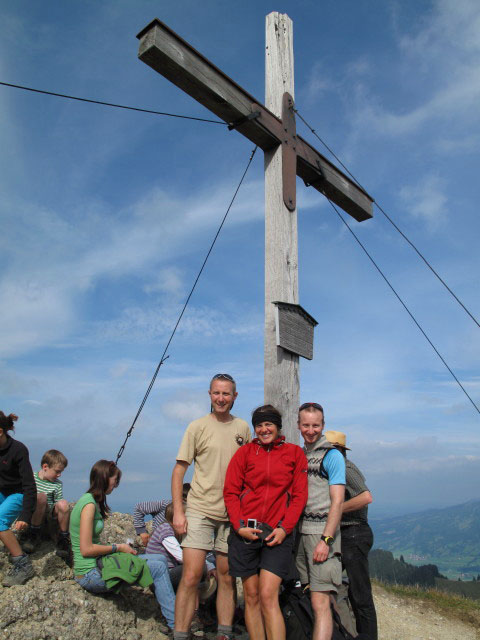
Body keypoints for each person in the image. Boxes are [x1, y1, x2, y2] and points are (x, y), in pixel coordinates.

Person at [171, 373, 251, 640]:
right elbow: (179, 470)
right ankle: (180, 633)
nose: (221, 398)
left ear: (235, 397)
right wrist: (179, 512)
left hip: (232, 514)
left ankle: (224, 633)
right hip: (200, 509)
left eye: (226, 394)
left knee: (227, 577)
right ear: (209, 394)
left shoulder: (242, 429)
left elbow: (249, 471)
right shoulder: (197, 427)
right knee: (192, 576)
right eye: (217, 393)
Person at [224, 404, 308, 640]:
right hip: (246, 531)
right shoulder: (244, 453)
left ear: (278, 427)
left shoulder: (294, 453)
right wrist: (239, 526)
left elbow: (300, 495)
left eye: (268, 424)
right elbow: (231, 491)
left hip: (277, 532)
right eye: (259, 425)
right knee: (251, 596)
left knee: (268, 594)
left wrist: (285, 529)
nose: (263, 429)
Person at [70, 459, 176, 632]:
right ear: (105, 478)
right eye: (115, 480)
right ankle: (177, 626)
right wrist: (117, 548)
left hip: (97, 564)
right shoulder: (88, 505)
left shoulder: (92, 501)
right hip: (89, 573)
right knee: (157, 568)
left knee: (159, 559)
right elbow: (86, 549)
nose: (116, 485)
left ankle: (167, 608)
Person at [296, 402, 346, 640]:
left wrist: (326, 539)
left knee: (320, 602)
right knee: (314, 598)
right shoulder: (302, 454)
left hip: (321, 535)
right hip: (301, 534)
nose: (311, 430)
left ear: (323, 426)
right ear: (298, 426)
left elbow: (337, 502)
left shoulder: (332, 455)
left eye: (316, 425)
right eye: (306, 425)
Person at [325, 430, 378, 640]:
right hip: (345, 534)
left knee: (360, 595)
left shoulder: (345, 468)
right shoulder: (337, 468)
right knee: (337, 586)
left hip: (354, 533)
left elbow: (366, 497)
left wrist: (335, 510)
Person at [0, 411, 36, 586]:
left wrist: (25, 516)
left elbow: (29, 485)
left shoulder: (18, 450)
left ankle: (22, 564)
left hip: (18, 494)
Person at [21, 449, 71, 558]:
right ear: (45, 467)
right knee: (41, 497)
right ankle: (34, 534)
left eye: (61, 472)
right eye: (57, 471)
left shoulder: (57, 484)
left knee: (63, 504)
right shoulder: (31, 478)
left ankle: (63, 539)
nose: (59, 475)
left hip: (49, 518)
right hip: (33, 514)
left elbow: (58, 503)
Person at [133, 483, 191, 549]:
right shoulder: (166, 504)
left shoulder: (193, 512)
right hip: (158, 544)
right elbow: (139, 508)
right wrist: (142, 532)